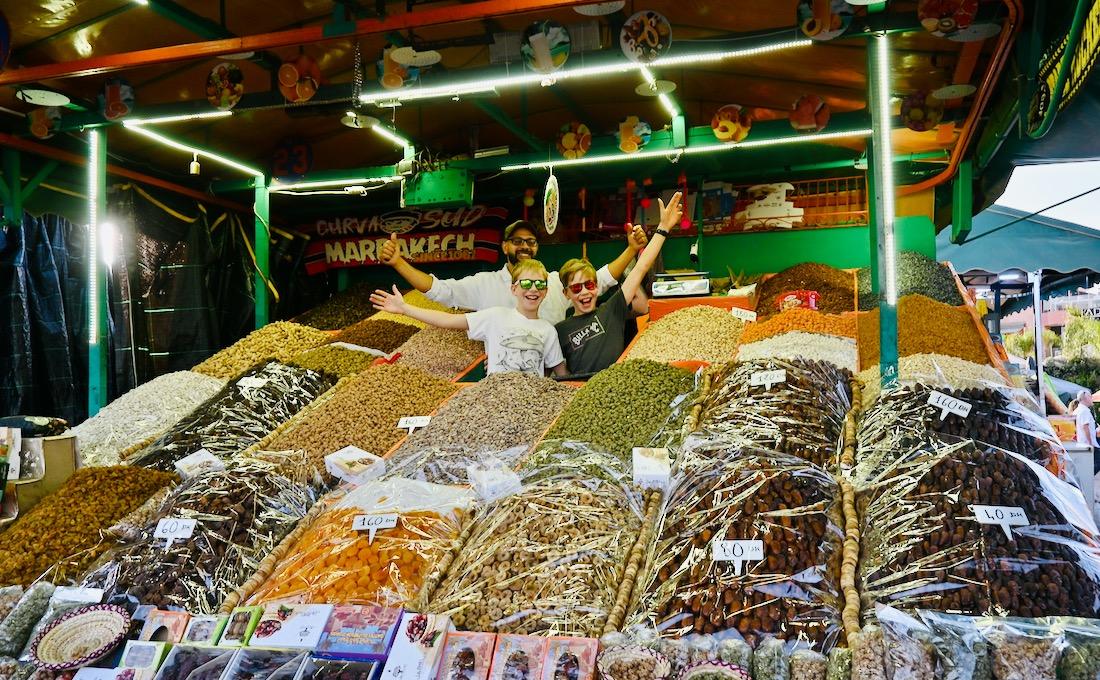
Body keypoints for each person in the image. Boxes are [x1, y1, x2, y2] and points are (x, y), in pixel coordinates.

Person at [376, 220, 648, 324]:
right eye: (517, 241)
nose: (525, 247)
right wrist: (399, 263)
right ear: (504, 245)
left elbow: (600, 279)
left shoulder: (553, 282)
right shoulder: (484, 283)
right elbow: (440, 291)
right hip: (503, 380)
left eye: (530, 242)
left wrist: (631, 250)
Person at [555, 191, 682, 375]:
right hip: (582, 393)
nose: (584, 292)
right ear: (566, 293)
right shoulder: (560, 330)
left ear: (596, 287)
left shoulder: (612, 309)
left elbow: (641, 268)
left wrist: (663, 227)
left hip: (615, 387)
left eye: (589, 285)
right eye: (576, 288)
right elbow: (559, 371)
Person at [370, 259, 567, 377]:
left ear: (546, 291)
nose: (533, 289)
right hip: (495, 400)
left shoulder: (548, 330)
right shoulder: (495, 316)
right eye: (526, 283)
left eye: (540, 284)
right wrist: (405, 308)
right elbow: (447, 320)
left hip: (532, 406)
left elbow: (560, 372)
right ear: (514, 289)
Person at [1074, 389, 1098, 471]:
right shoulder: (1084, 411)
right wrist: (1090, 443)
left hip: (1081, 443)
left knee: (1086, 466)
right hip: (1087, 443)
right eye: (1090, 397)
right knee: (1094, 465)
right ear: (1085, 398)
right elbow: (1085, 427)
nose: (1092, 399)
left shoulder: (1077, 410)